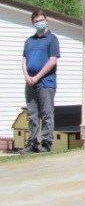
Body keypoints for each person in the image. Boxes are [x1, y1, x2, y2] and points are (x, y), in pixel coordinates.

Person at [20, 9, 60, 154]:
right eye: (36, 21)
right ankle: (32, 143)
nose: (39, 23)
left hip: (46, 83)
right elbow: (24, 60)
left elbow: (52, 61)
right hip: (30, 83)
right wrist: (27, 76)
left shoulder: (52, 39)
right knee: (32, 114)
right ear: (32, 23)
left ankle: (46, 143)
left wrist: (37, 77)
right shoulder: (29, 41)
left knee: (47, 113)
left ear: (46, 20)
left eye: (41, 20)